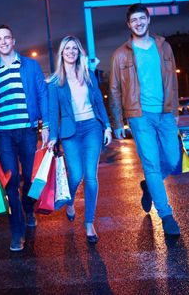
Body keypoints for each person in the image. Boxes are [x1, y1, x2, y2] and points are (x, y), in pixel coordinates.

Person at [109, 3, 181, 236]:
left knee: (172, 159)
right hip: (139, 116)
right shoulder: (120, 54)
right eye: (134, 20)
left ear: (148, 20)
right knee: (150, 163)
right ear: (128, 25)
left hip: (166, 112)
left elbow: (173, 81)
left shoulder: (164, 47)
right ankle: (166, 215)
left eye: (142, 18)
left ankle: (149, 185)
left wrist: (175, 110)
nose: (138, 23)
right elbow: (115, 89)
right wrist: (118, 121)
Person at [0, 24, 49, 252]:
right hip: (3, 134)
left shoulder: (30, 66)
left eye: (6, 38)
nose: (3, 42)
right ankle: (17, 231)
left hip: (28, 130)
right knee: (11, 181)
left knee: (30, 180)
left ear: (13, 41)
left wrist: (46, 125)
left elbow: (42, 94)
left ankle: (28, 208)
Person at [46, 36, 113, 243]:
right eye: (67, 48)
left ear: (79, 52)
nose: (71, 52)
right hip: (70, 133)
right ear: (62, 53)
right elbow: (52, 111)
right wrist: (53, 136)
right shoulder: (55, 82)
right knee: (75, 176)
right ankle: (71, 201)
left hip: (92, 126)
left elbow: (99, 103)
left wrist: (107, 126)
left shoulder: (89, 75)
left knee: (91, 176)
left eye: (75, 48)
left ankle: (89, 223)